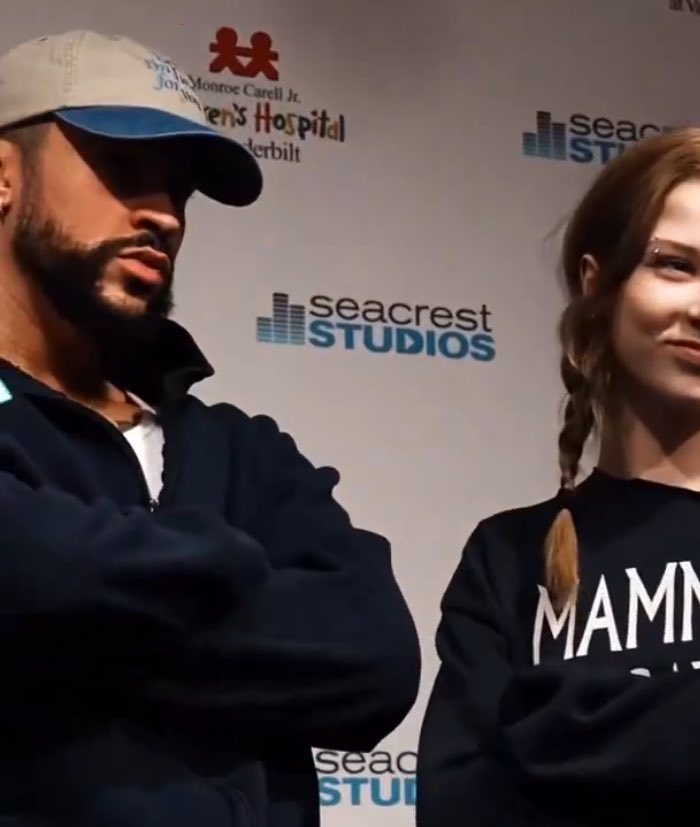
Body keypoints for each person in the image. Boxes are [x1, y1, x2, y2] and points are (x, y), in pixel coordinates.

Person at [0, 29, 420, 827]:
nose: (161, 213)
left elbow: (376, 659)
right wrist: (234, 568)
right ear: (3, 177)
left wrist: (52, 644)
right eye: (121, 169)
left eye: (180, 190)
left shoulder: (241, 448)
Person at [416, 127, 700, 826]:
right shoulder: (507, 557)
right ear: (596, 282)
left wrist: (550, 718)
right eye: (673, 265)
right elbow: (461, 806)